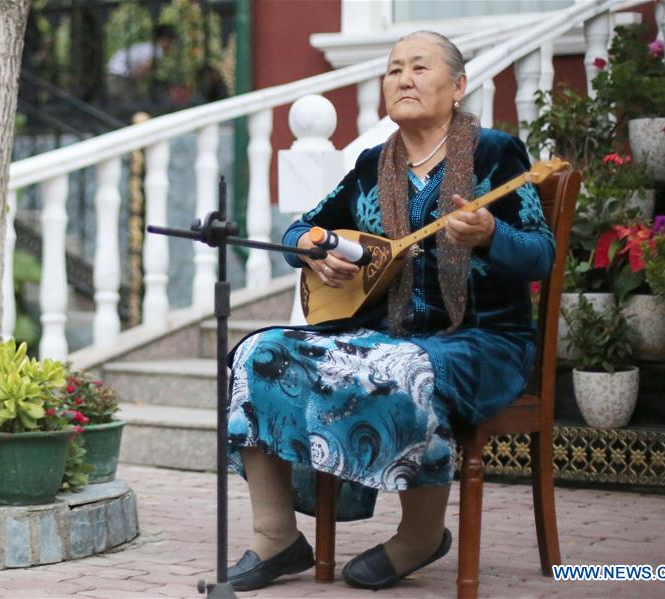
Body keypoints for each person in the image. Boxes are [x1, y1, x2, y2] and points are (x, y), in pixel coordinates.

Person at [226, 30, 555, 592]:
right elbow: (299, 228)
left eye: (419, 68)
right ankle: (277, 536)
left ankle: (421, 537)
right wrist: (315, 249)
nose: (402, 78)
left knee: (404, 366)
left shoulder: (496, 153)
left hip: (484, 339)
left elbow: (541, 254)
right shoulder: (374, 163)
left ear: (458, 86)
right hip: (383, 330)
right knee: (261, 352)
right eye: (393, 68)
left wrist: (489, 233)